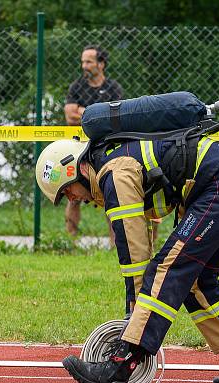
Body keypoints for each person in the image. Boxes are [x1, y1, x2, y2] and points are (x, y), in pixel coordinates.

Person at [35, 125, 219, 383]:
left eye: (67, 191)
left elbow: (133, 251)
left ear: (77, 168)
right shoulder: (114, 164)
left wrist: (133, 318)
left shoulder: (113, 173)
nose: (72, 199)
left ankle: (119, 366)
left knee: (167, 269)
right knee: (196, 281)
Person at [64, 45, 123, 239]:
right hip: (78, 149)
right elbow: (70, 116)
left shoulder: (113, 88)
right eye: (82, 61)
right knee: (73, 198)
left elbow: (116, 117)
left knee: (110, 196)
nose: (84, 66)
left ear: (101, 64)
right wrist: (97, 112)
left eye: (88, 61)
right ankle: (70, 243)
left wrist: (83, 110)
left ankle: (114, 246)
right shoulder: (77, 86)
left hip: (105, 149)